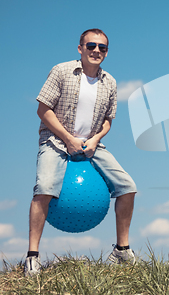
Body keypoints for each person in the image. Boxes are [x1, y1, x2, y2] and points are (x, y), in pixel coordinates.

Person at [24, 29, 137, 277]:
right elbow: (43, 110)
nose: (96, 51)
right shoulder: (62, 71)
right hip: (56, 141)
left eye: (102, 48)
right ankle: (32, 257)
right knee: (44, 188)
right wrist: (68, 138)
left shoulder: (110, 81)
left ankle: (122, 250)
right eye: (91, 46)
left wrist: (96, 139)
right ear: (80, 48)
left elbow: (108, 120)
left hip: (91, 145)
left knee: (127, 187)